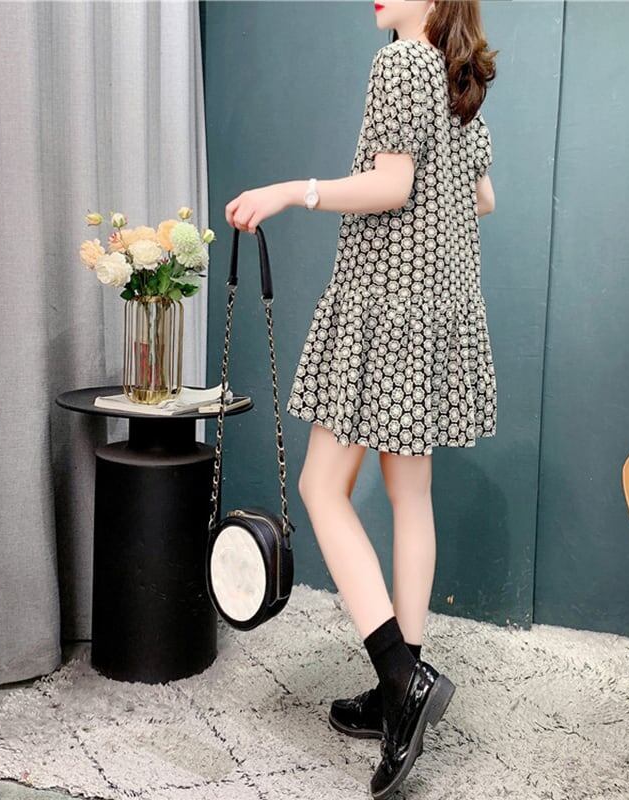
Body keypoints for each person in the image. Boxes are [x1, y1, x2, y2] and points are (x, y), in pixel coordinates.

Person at [225, 0, 497, 795]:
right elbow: (482, 197)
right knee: (411, 496)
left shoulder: (399, 62)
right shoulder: (457, 73)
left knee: (321, 487)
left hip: (384, 305)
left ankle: (400, 679)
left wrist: (290, 190)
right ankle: (397, 689)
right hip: (439, 305)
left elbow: (391, 185)